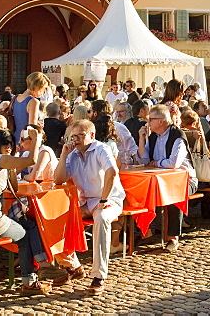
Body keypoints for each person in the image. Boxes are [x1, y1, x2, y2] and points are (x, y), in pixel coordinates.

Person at [0, 128, 56, 295]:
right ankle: (32, 280)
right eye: (5, 143)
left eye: (10, 143)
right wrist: (36, 138)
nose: (8, 146)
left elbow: (14, 187)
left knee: (28, 225)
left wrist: (11, 166)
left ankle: (41, 268)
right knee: (26, 234)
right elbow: (31, 160)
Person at [55, 119, 125, 293]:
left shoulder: (101, 149)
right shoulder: (73, 154)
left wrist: (103, 200)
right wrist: (63, 155)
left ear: (91, 136)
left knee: (101, 219)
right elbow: (58, 179)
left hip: (109, 199)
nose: (76, 139)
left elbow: (112, 171)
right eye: (73, 136)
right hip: (85, 202)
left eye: (80, 135)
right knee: (55, 220)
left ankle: (99, 276)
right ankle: (73, 266)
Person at [137, 104, 197, 251]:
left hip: (186, 180)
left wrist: (156, 162)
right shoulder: (153, 137)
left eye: (151, 119)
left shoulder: (178, 136)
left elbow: (174, 163)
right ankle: (147, 231)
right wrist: (141, 138)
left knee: (174, 193)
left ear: (161, 121)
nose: (148, 123)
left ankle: (173, 237)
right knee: (139, 191)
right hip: (159, 180)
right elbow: (143, 161)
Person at [12, 73, 43, 143]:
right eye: (44, 88)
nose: (43, 92)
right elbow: (32, 126)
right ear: (37, 86)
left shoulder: (17, 98)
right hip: (26, 140)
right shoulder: (33, 101)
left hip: (15, 137)